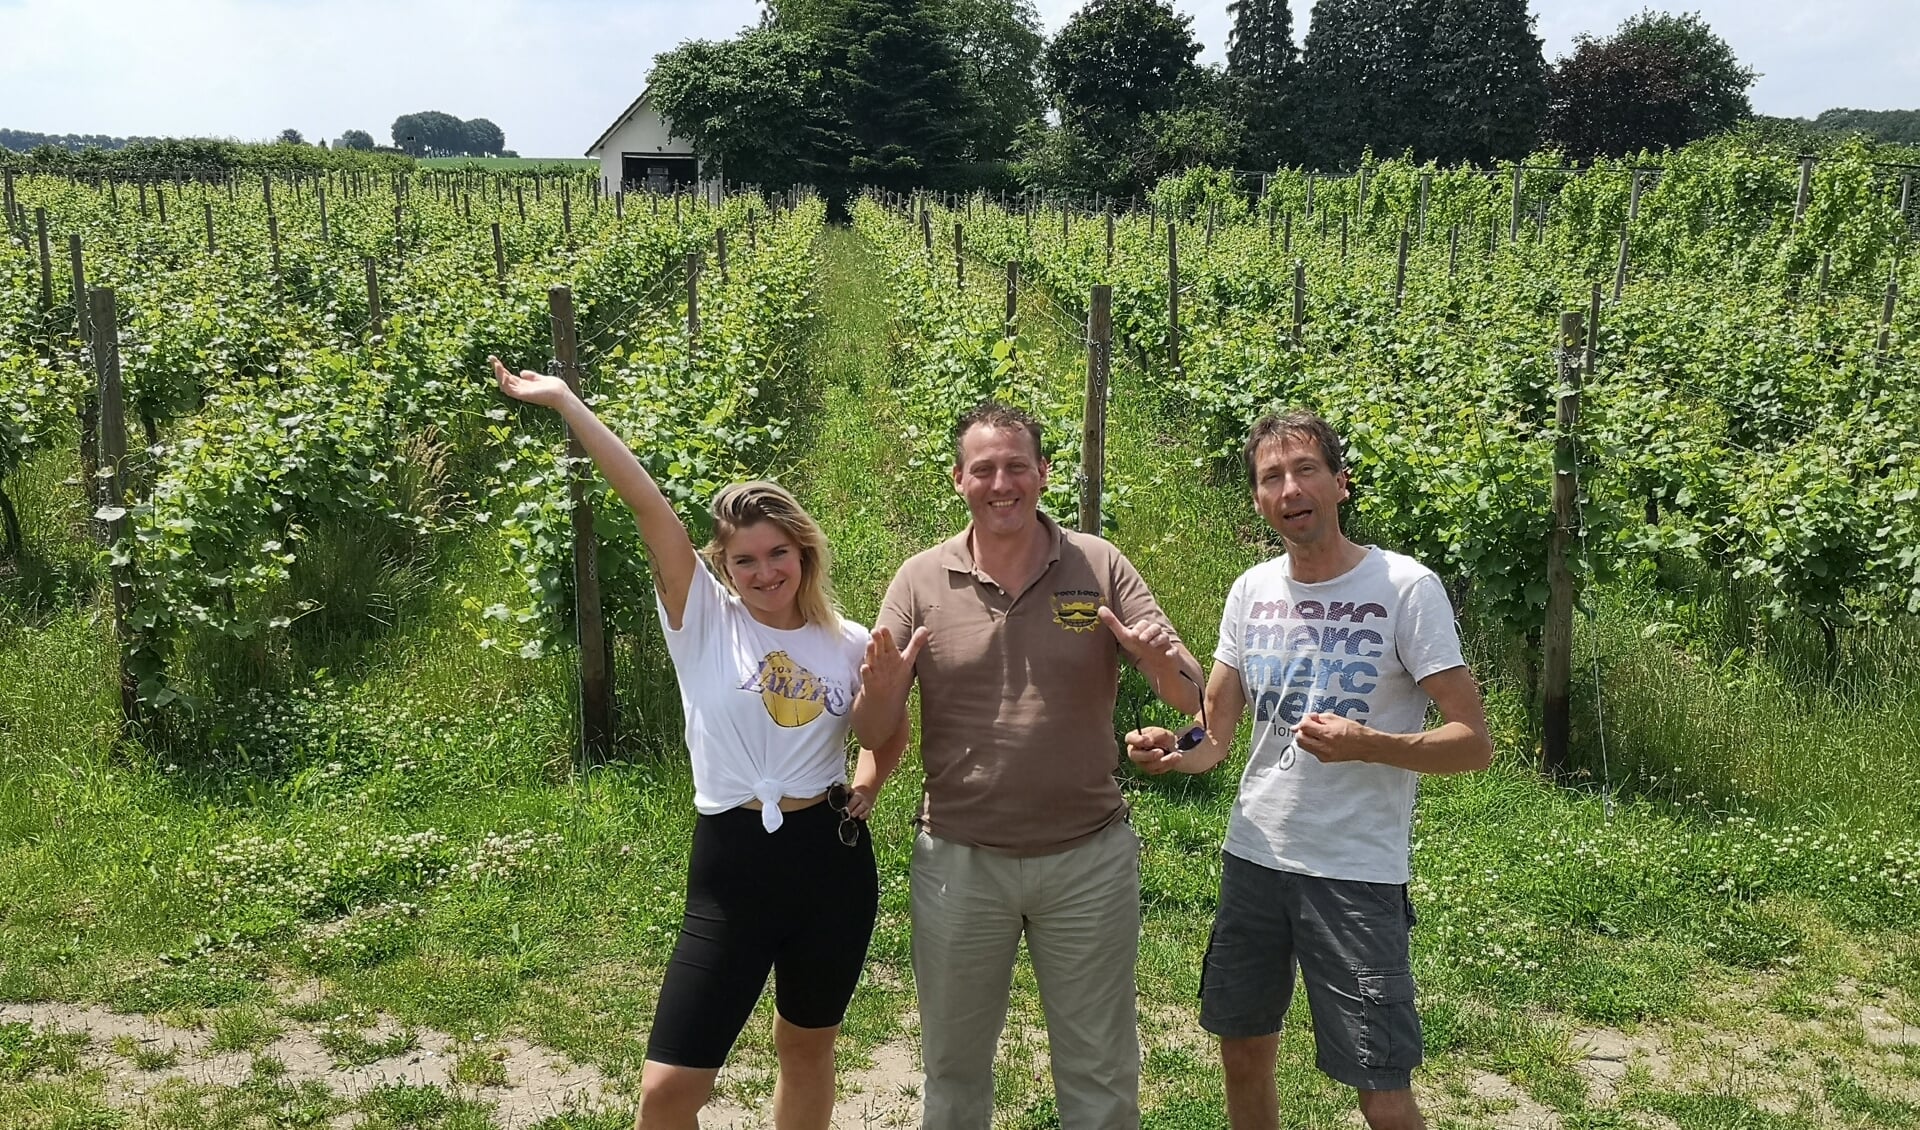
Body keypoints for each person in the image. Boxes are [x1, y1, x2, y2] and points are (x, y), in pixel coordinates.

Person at [490, 357, 908, 1130]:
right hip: (732, 862)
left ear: (803, 552)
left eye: (777, 553)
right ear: (722, 565)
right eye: (744, 559)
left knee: (807, 1047)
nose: (763, 571)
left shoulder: (847, 642)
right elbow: (647, 503)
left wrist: (869, 780)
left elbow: (887, 738)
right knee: (668, 1090)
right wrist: (563, 402)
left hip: (829, 862)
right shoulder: (703, 620)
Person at [1124, 410, 1492, 1130]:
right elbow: (1217, 732)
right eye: (1271, 477)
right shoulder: (1251, 591)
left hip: (1355, 871)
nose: (1290, 488)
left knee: (1379, 1079)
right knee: (1243, 1050)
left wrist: (1370, 743)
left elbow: (1472, 742)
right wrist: (1175, 747)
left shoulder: (1405, 588)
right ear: (1259, 500)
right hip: (1254, 857)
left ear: (1340, 483)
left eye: (1305, 470)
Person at [851, 400, 1204, 1130]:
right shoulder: (919, 581)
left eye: (1017, 466)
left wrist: (1159, 663)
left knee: (1101, 1067)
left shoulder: (1099, 566)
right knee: (952, 1066)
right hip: (957, 860)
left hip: (1089, 860)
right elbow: (874, 727)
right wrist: (880, 695)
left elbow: (1189, 688)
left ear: (1045, 474)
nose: (1001, 482)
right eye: (984, 469)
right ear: (958, 480)